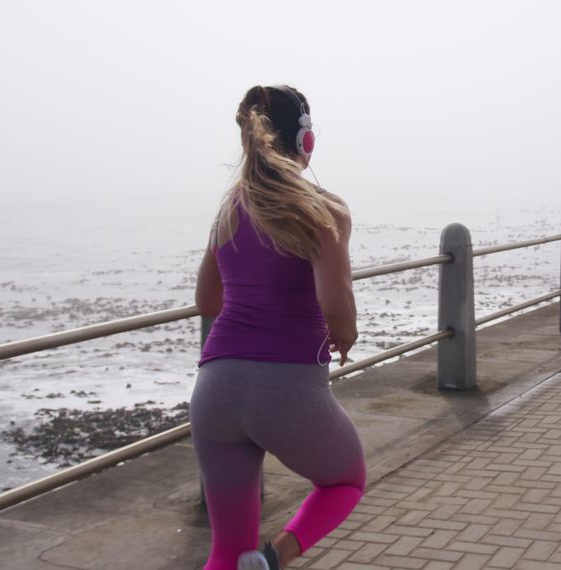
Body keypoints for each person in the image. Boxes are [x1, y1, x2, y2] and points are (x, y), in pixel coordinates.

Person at [192, 84, 365, 570]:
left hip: (216, 390)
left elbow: (207, 300)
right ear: (305, 141)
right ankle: (274, 558)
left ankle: (251, 561)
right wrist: (345, 338)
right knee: (345, 481)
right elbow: (337, 304)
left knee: (226, 551)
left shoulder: (228, 209)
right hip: (287, 388)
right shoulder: (324, 209)